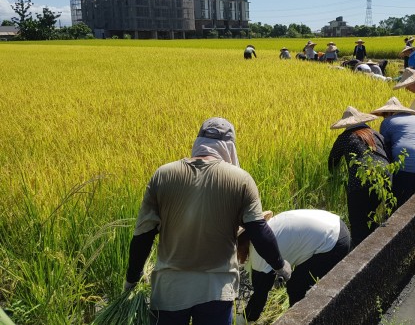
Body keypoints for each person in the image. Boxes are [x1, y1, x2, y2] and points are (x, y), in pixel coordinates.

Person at [123, 118, 291, 325]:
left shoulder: (163, 175)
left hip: (169, 290)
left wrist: (132, 279)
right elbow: (258, 231)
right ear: (230, 147)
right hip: (216, 290)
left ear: (199, 141)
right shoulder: (241, 180)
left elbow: (143, 235)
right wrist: (280, 265)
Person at [237, 209, 351, 323]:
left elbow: (259, 297)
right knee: (298, 281)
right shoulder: (268, 228)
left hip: (333, 243)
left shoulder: (259, 251)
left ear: (240, 243)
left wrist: (242, 320)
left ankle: (302, 320)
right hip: (336, 225)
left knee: (296, 287)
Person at [328, 106, 391, 245]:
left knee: (357, 222)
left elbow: (333, 159)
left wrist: (333, 176)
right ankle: (375, 245)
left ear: (346, 124)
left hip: (361, 180)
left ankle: (358, 251)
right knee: (372, 214)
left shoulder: (344, 137)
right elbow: (388, 153)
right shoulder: (375, 133)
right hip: (386, 176)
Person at [371, 97, 415, 207]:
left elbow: (385, 147)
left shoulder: (387, 122)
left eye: (385, 114)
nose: (384, 117)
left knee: (401, 202)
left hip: (408, 163)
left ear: (390, 112)